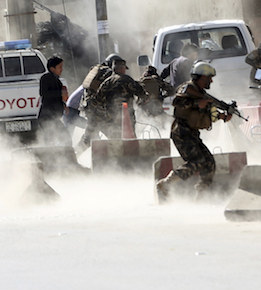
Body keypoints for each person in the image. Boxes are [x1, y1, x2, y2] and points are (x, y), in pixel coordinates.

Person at [155, 62, 232, 201]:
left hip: (192, 133)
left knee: (209, 163)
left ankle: (201, 196)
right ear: (200, 77)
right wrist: (197, 103)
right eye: (209, 77)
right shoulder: (187, 88)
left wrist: (222, 115)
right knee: (197, 161)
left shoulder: (201, 93)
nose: (211, 80)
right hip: (181, 132)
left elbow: (205, 112)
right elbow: (176, 102)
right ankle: (166, 184)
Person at [92, 58, 149, 140]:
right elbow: (141, 93)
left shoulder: (107, 82)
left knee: (115, 138)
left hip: (111, 116)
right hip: (127, 115)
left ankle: (116, 151)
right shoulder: (127, 80)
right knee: (129, 136)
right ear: (122, 68)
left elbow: (97, 100)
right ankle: (131, 151)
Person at [76, 54, 119, 153]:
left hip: (89, 107)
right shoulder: (108, 73)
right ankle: (116, 158)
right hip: (97, 110)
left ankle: (75, 155)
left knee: (90, 135)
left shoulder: (97, 70)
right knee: (114, 135)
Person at [37, 56, 71, 146]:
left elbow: (56, 98)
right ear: (52, 68)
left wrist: (63, 105)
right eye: (60, 67)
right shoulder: (46, 77)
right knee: (54, 140)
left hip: (53, 117)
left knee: (63, 139)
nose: (62, 69)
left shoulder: (57, 80)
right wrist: (60, 93)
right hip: (47, 117)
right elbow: (43, 92)